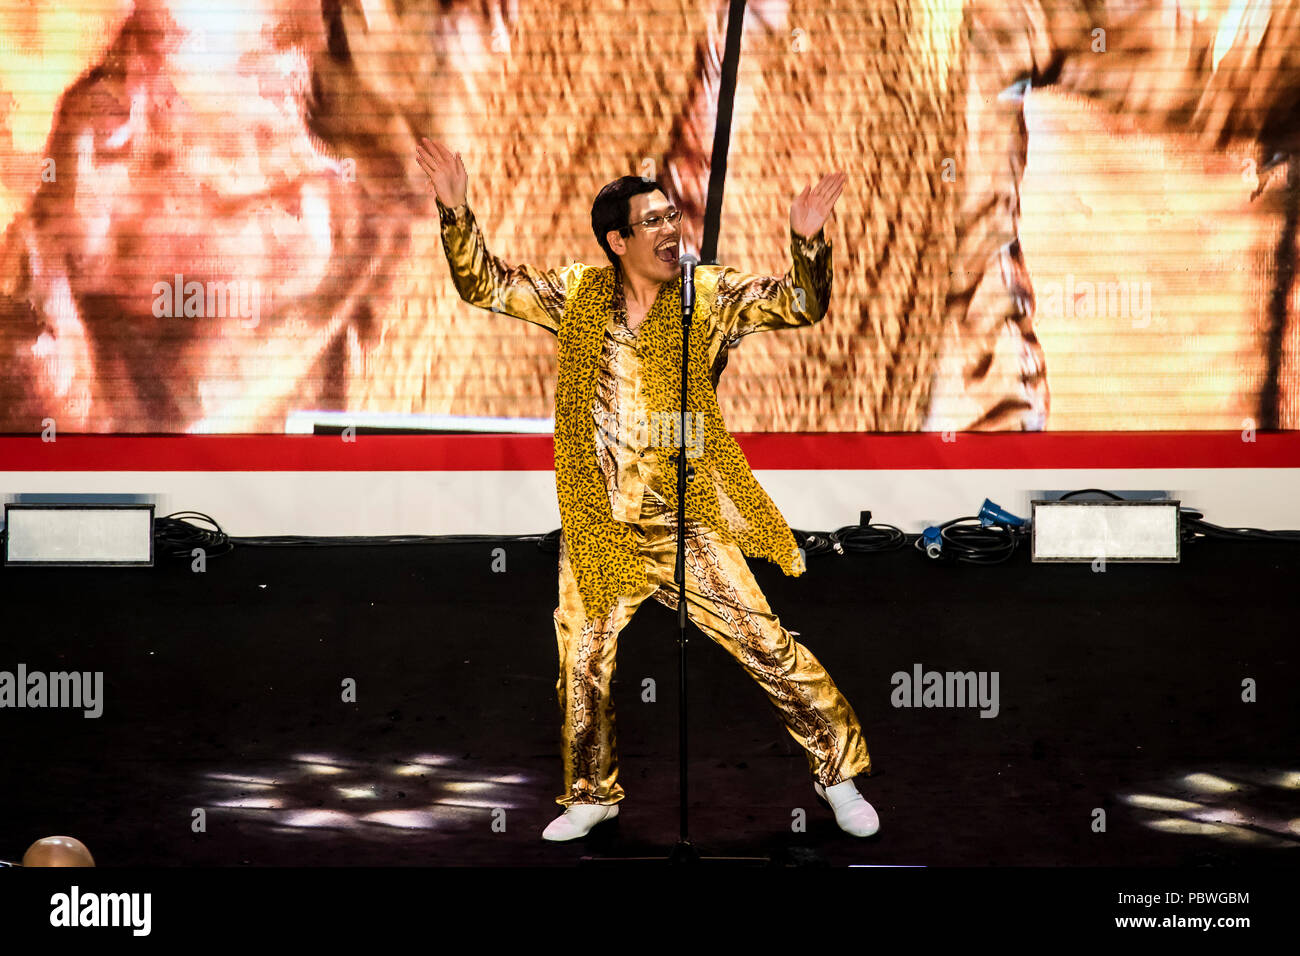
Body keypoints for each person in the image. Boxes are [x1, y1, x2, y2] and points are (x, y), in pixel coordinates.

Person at [416, 136, 877, 841]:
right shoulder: (576, 295)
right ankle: (592, 793)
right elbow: (487, 285)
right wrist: (455, 209)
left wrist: (807, 244)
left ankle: (838, 778)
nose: (671, 230)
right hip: (600, 520)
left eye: (672, 217)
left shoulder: (709, 295)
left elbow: (799, 306)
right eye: (653, 221)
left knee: (766, 644)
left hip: (684, 515)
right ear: (616, 240)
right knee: (583, 659)